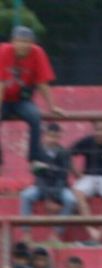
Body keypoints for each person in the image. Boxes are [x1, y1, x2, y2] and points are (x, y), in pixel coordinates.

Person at [0, 26, 63, 168]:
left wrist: (52, 106)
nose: (24, 45)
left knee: (35, 117)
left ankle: (34, 157)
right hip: (3, 97)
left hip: (21, 99)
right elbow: (1, 84)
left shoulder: (37, 53)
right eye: (20, 41)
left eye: (28, 42)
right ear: (13, 42)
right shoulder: (4, 51)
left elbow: (42, 83)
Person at [19, 122, 77, 243]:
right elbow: (39, 177)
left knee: (70, 200)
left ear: (59, 137)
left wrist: (54, 198)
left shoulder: (64, 153)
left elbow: (63, 177)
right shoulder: (38, 152)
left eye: (55, 136)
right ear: (44, 136)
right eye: (50, 136)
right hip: (42, 186)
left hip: (59, 187)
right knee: (25, 195)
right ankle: (26, 233)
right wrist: (48, 199)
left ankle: (56, 234)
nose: (52, 140)